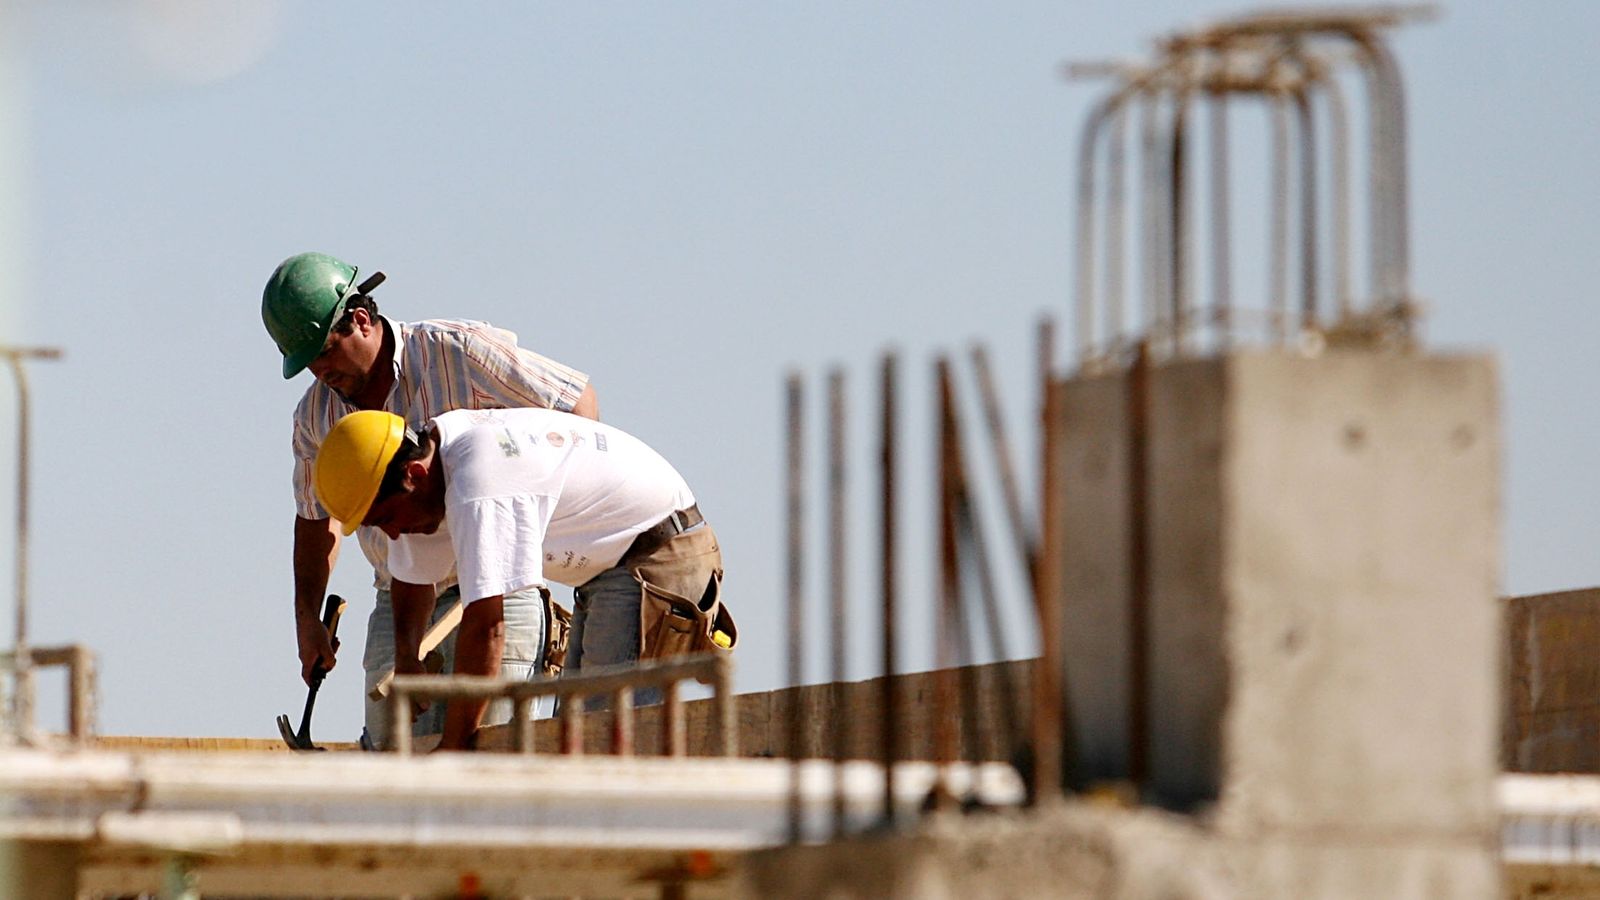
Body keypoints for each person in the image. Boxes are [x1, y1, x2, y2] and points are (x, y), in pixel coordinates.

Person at [262, 251, 599, 749]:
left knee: (489, 760)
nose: (320, 370)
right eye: (307, 361)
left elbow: (576, 405)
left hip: (496, 592)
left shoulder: (457, 352)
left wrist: (530, 518)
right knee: (395, 779)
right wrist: (307, 620)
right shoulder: (315, 417)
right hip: (398, 600)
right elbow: (316, 521)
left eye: (325, 352)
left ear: (360, 319)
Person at [313, 407, 730, 750]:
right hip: (612, 569)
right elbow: (410, 578)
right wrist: (407, 659)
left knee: (601, 745)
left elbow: (489, 627)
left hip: (659, 554)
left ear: (415, 477)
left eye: (386, 519)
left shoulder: (479, 482)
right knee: (575, 741)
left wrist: (454, 748)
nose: (390, 534)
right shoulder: (427, 474)